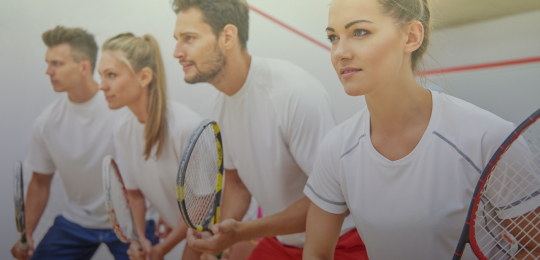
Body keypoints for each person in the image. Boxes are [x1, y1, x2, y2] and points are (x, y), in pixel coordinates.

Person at [302, 0, 540, 259]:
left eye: (360, 32)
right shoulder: (336, 147)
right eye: (333, 37)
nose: (339, 52)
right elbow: (315, 254)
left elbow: (535, 248)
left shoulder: (490, 138)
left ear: (411, 36)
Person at [171, 1, 368, 259]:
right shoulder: (218, 103)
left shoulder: (293, 94)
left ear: (228, 37)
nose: (176, 51)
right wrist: (220, 234)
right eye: (178, 39)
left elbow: (334, 199)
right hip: (281, 243)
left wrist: (242, 232)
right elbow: (238, 184)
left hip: (340, 242)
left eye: (189, 38)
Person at [10, 26, 157, 260]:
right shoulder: (46, 123)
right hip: (76, 222)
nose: (48, 71)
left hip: (131, 222)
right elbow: (39, 183)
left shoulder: (123, 108)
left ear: (84, 67)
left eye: (56, 63)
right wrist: (26, 234)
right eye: (48, 63)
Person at [97, 33, 202, 260]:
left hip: (222, 230)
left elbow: (201, 208)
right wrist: (140, 238)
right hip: (192, 228)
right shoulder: (122, 130)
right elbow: (134, 196)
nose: (101, 86)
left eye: (111, 75)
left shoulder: (186, 127)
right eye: (101, 76)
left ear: (144, 76)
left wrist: (161, 249)